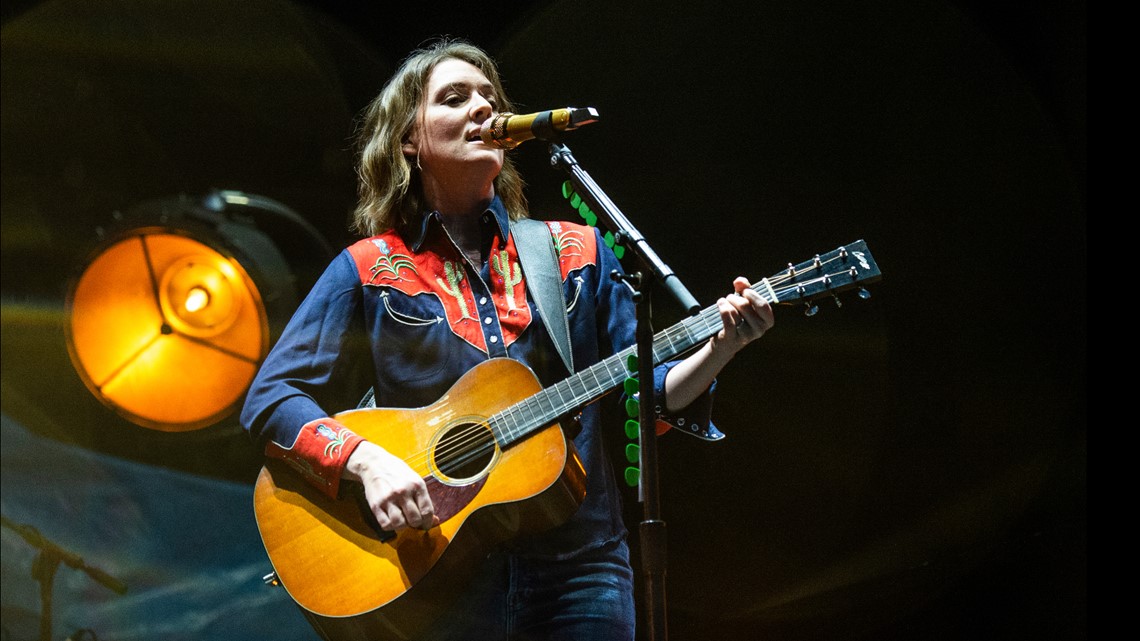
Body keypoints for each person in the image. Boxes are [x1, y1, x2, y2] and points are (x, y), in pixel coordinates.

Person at [240, 38, 774, 641]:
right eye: (454, 97)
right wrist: (368, 463)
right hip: (438, 577)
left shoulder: (576, 252)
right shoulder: (371, 268)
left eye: (490, 97)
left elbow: (644, 401)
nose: (481, 108)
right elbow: (271, 397)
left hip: (582, 570)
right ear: (409, 141)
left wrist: (721, 346)